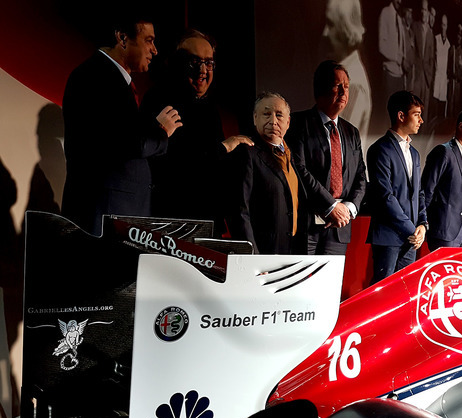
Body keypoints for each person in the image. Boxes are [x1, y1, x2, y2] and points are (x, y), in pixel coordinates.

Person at [62, 13, 183, 235]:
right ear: (123, 38)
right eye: (149, 40)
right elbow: (127, 143)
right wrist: (162, 131)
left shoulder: (113, 80)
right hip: (104, 215)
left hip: (117, 214)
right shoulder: (96, 76)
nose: (154, 50)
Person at [142, 30, 253, 236]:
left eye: (209, 63)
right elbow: (177, 166)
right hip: (172, 227)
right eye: (194, 62)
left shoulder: (208, 105)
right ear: (175, 63)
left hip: (209, 224)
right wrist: (225, 146)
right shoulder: (159, 100)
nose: (203, 70)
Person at [229, 92, 347, 254]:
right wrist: (252, 257)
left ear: (288, 122)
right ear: (255, 118)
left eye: (279, 115)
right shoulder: (246, 153)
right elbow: (240, 212)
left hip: (294, 250)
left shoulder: (293, 155)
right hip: (262, 253)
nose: (273, 121)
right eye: (266, 114)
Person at [285, 60, 367, 256]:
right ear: (320, 88)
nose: (343, 92)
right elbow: (298, 169)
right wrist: (330, 205)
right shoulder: (298, 124)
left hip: (340, 225)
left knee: (330, 285)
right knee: (301, 284)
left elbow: (360, 176)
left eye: (346, 87)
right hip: (307, 224)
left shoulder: (351, 132)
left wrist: (348, 208)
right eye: (337, 85)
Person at [366, 91, 428, 283]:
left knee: (404, 293)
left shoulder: (415, 154)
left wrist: (423, 226)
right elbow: (385, 196)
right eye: (416, 114)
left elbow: (419, 193)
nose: (422, 120)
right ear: (401, 116)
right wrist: (412, 229)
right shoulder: (380, 149)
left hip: (411, 239)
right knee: (382, 293)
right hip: (389, 236)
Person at [422, 108, 462, 250]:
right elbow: (427, 191)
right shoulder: (443, 152)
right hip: (446, 230)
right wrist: (422, 222)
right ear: (461, 126)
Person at [321, 0, 371, 138]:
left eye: (330, 24)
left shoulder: (353, 84)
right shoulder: (344, 73)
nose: (325, 33)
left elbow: (340, 146)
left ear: (345, 30)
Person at [378, 0, 405, 101]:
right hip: (389, 72)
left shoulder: (399, 18)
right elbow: (382, 46)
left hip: (399, 73)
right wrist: (396, 57)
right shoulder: (385, 13)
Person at [412, 0, 435, 110]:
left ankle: (423, 128)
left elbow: (431, 58)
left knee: (423, 107)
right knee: (413, 104)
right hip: (416, 74)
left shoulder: (431, 34)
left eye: (425, 9)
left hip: (426, 77)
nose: (423, 12)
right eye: (422, 9)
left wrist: (429, 77)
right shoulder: (415, 26)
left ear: (428, 12)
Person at [431, 13, 450, 122]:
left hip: (443, 79)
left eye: (445, 25)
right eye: (442, 24)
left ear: (447, 27)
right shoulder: (436, 39)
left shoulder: (448, 44)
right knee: (433, 107)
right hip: (436, 77)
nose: (443, 27)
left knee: (441, 109)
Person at [447, 24, 462, 117]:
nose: (459, 37)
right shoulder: (451, 49)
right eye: (458, 34)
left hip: (458, 85)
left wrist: (459, 76)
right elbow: (448, 67)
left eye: (460, 35)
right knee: (450, 105)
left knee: (456, 107)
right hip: (451, 83)